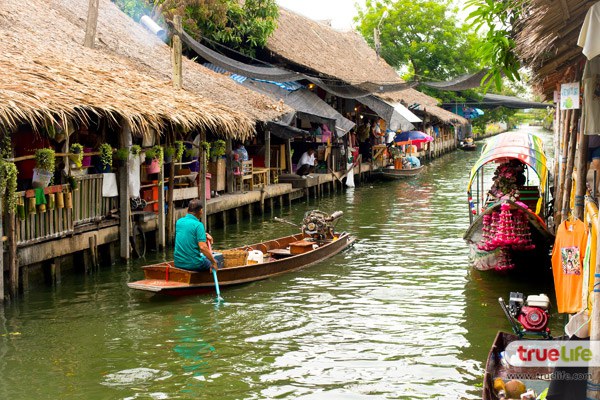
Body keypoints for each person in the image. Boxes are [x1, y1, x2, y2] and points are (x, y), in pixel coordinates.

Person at [174, 199, 217, 272]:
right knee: (217, 261)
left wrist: (203, 235)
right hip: (194, 264)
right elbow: (203, 247)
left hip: (178, 263)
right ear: (200, 211)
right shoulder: (198, 225)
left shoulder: (179, 222)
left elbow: (188, 236)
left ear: (188, 210)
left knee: (203, 257)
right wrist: (214, 262)